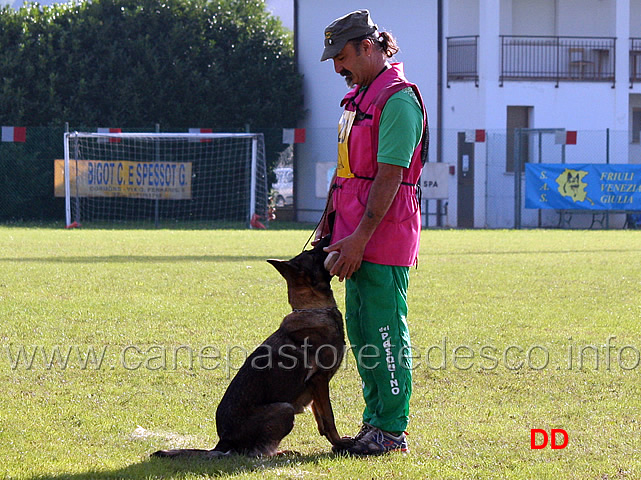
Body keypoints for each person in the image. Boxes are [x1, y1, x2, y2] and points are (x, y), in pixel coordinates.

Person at [317, 10, 428, 456]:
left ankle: (392, 429)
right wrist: (331, 226)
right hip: (352, 235)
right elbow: (346, 172)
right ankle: (373, 423)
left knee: (384, 331)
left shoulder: (397, 100)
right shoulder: (359, 98)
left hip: (379, 236)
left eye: (342, 57)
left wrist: (359, 237)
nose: (337, 68)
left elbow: (389, 177)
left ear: (368, 46)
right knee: (362, 333)